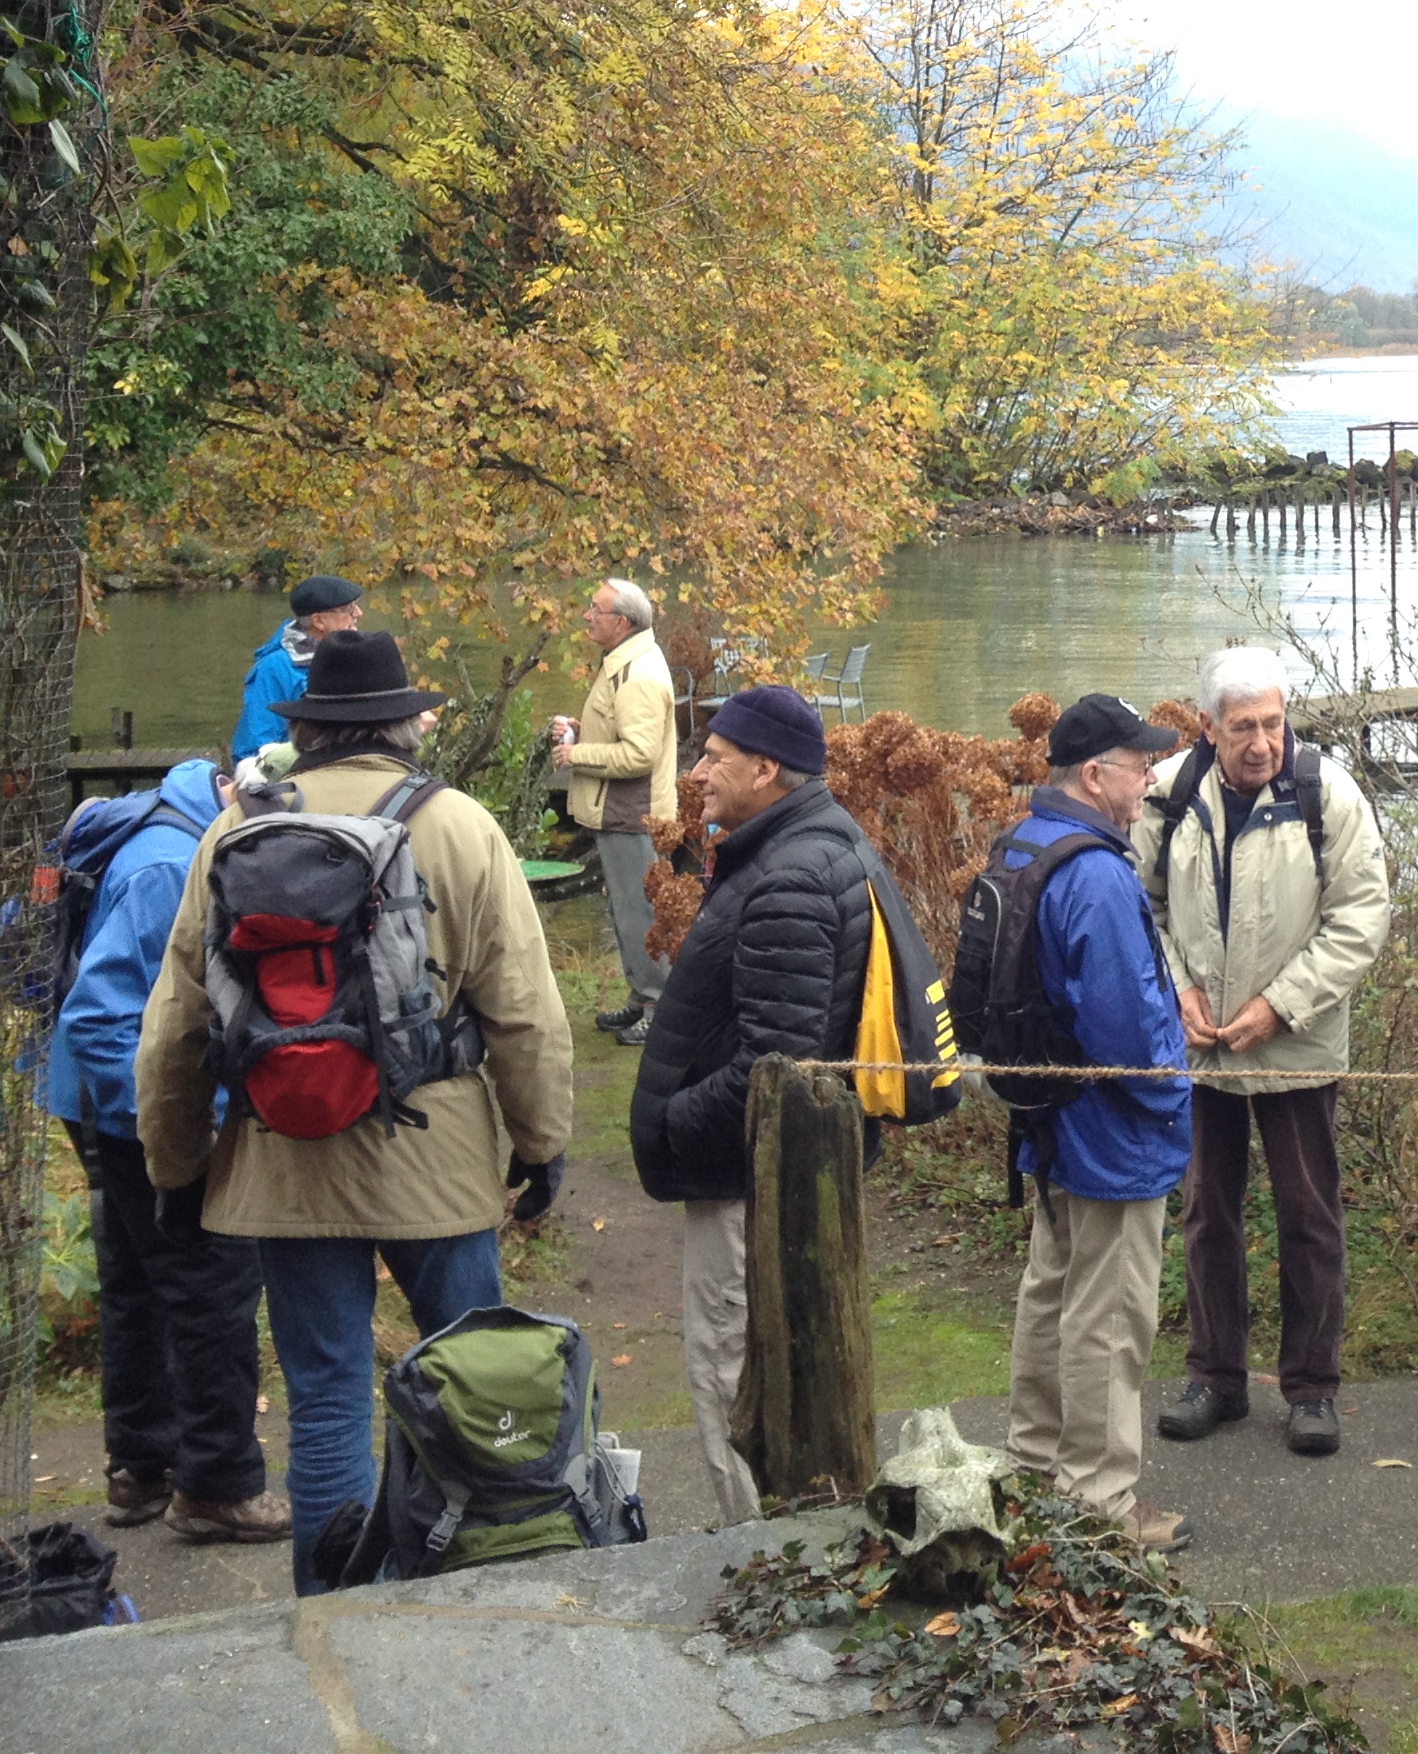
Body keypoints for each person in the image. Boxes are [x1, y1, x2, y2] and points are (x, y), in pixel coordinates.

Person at [137, 630, 574, 1594]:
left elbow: (173, 1029)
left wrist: (176, 1166)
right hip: (436, 1159)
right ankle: (475, 1589)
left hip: (286, 1160)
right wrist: (542, 1144)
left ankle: (331, 1614)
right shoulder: (460, 826)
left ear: (308, 728)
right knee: (477, 1385)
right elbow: (526, 1014)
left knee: (326, 1402)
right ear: (404, 726)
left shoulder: (231, 831)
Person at [628, 684, 878, 1527]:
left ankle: (755, 1556)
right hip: (765, 1177)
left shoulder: (790, 876)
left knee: (732, 1373)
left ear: (766, 769)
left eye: (714, 757)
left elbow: (776, 1071)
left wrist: (672, 1121)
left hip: (749, 1184)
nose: (697, 772)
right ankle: (785, 1543)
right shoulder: (801, 847)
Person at [1140, 645, 1390, 1461]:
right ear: (1207, 727)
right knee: (1207, 1212)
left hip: (1298, 1046)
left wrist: (1278, 1008)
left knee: (1309, 1216)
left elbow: (1361, 918)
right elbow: (1139, 906)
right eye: (1244, 727)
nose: (1262, 743)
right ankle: (1215, 1377)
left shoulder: (1329, 794)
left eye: (1274, 724)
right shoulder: (1167, 793)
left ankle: (1312, 1389)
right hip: (1202, 1047)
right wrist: (1176, 989)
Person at [46, 758, 287, 1544]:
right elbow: (97, 1016)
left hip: (93, 1093)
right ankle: (218, 1484)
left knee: (136, 1280)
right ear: (237, 796)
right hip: (121, 1097)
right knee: (212, 1277)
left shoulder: (179, 824)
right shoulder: (166, 866)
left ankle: (139, 1467)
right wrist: (183, 1124)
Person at [1002, 694, 1194, 1551]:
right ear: (1094, 774)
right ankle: (1099, 1501)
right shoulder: (1099, 875)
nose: (1149, 777)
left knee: (1051, 1292)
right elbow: (1128, 1027)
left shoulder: (1025, 843)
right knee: (1109, 1315)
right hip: (1110, 1128)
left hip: (1047, 1118)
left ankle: (1035, 1466)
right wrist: (1175, 1099)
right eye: (1139, 763)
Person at [552, 578, 678, 1048]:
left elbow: (640, 755)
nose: (587, 616)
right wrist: (582, 731)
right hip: (622, 813)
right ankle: (641, 998)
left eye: (595, 609)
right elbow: (623, 733)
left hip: (632, 815)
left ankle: (658, 1008)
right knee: (626, 911)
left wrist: (576, 755)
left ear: (621, 622)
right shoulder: (625, 661)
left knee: (640, 914)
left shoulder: (637, 674)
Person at [231, 575, 363, 764]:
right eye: (348, 609)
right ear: (318, 621)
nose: (358, 613)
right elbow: (253, 751)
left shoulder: (357, 656)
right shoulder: (274, 668)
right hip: (300, 774)